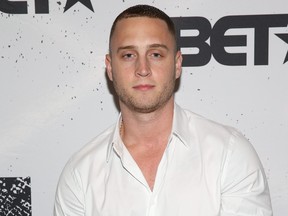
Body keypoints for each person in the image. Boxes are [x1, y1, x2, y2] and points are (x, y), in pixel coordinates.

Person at [54, 4, 273, 216]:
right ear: (110, 68)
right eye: (129, 55)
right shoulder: (80, 175)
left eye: (156, 54)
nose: (143, 69)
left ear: (177, 64)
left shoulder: (229, 155)